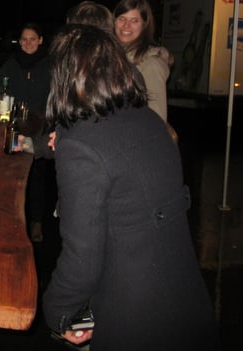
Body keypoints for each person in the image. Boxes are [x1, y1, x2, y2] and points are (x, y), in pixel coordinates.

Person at [42, 24, 220, 351]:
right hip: (186, 299)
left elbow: (83, 257)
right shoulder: (150, 120)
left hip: (135, 317)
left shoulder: (81, 143)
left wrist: (58, 310)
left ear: (65, 76)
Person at [0, 22, 52, 243]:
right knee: (13, 177)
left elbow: (56, 97)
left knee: (37, 176)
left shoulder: (50, 65)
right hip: (15, 128)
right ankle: (13, 222)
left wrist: (46, 120)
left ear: (40, 40)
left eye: (33, 39)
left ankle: (36, 222)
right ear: (19, 42)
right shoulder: (10, 66)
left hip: (40, 130)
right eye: (24, 39)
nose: (28, 43)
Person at [113, 0, 172, 121]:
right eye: (122, 18)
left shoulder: (151, 63)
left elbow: (157, 118)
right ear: (114, 21)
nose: (126, 25)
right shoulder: (114, 56)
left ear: (144, 25)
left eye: (134, 21)